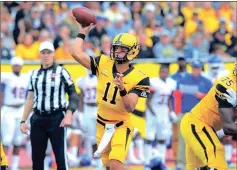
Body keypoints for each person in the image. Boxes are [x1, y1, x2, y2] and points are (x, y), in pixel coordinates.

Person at [71, 22, 150, 170]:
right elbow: (76, 54)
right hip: (101, 124)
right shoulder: (103, 62)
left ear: (132, 52)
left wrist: (122, 89)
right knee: (108, 165)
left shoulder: (140, 77)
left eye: (122, 48)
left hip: (121, 125)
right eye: (116, 47)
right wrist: (82, 32)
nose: (117, 51)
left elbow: (129, 107)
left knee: (115, 164)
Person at [20, 41, 79, 170]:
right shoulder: (34, 74)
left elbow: (74, 95)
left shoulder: (62, 72)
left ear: (53, 54)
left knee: (60, 157)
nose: (46, 55)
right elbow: (30, 98)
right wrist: (23, 120)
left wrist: (68, 114)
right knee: (37, 159)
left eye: (49, 53)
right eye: (43, 53)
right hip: (38, 118)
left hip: (56, 117)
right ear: (39, 55)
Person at [180, 62, 237, 170]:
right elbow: (229, 127)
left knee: (197, 168)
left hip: (205, 128)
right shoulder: (228, 86)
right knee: (217, 159)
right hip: (197, 124)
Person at [175, 59, 213, 170]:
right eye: (194, 68)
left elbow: (212, 99)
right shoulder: (183, 80)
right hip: (185, 113)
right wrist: (177, 112)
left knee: (202, 139)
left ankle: (202, 163)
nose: (195, 70)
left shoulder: (207, 82)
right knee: (183, 139)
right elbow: (176, 97)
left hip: (200, 115)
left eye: (197, 68)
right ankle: (181, 163)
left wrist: (201, 95)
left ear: (201, 68)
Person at [144, 64, 177, 167]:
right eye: (162, 71)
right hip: (153, 111)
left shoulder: (171, 83)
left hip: (164, 112)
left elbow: (169, 100)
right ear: (159, 72)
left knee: (162, 138)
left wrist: (170, 111)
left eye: (166, 72)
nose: (164, 73)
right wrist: (154, 114)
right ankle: (147, 162)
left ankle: (161, 161)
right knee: (149, 137)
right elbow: (148, 102)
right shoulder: (154, 82)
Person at [0, 57, 28, 170]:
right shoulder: (6, 77)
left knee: (18, 140)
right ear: (11, 66)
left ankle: (15, 166)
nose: (16, 67)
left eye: (18, 65)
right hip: (8, 109)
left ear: (21, 66)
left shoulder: (26, 78)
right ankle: (4, 165)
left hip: (20, 109)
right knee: (6, 140)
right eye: (15, 65)